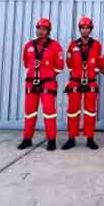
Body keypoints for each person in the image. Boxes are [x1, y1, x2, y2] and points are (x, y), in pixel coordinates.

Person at [19, 17, 65, 151]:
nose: (40, 31)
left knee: (49, 112)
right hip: (31, 84)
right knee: (29, 113)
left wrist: (47, 75)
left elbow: (60, 66)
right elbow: (26, 63)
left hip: (47, 84)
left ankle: (51, 140)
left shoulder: (55, 46)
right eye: (39, 28)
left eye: (44, 29)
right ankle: (27, 139)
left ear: (48, 31)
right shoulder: (28, 46)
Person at [62, 16, 103, 150]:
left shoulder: (96, 44)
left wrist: (93, 72)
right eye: (83, 28)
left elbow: (99, 62)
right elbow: (69, 62)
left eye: (87, 28)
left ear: (91, 29)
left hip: (90, 82)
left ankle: (90, 138)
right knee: (73, 111)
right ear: (80, 29)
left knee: (90, 112)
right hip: (75, 82)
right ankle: (71, 138)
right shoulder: (73, 45)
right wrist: (77, 73)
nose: (85, 30)